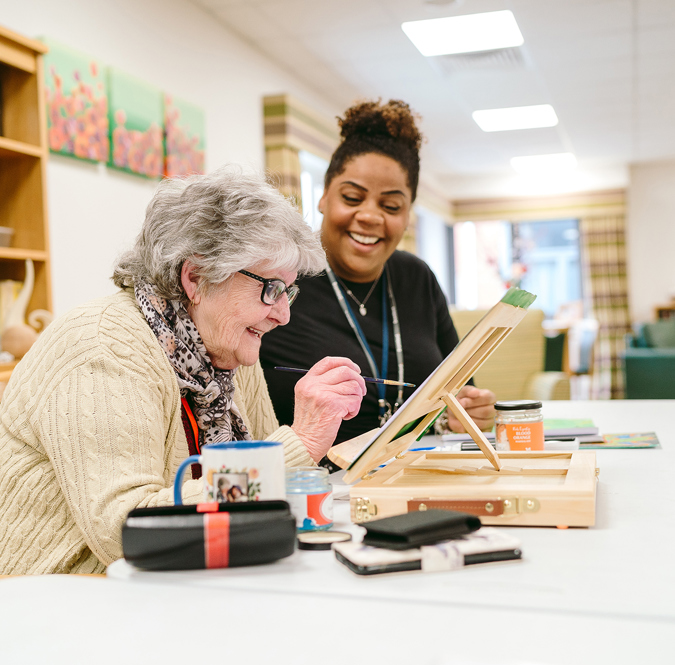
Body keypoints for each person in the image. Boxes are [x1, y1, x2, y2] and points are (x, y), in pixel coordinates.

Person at [0, 166, 366, 575]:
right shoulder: (102, 343)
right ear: (195, 277)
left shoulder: (226, 348)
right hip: (62, 601)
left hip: (176, 580)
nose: (283, 314)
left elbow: (271, 501)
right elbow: (126, 531)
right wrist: (299, 443)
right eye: (271, 289)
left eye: (289, 291)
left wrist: (309, 448)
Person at [261, 100, 496, 448]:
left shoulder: (417, 278)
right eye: (353, 198)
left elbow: (461, 389)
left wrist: (469, 413)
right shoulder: (277, 277)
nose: (370, 216)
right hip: (314, 483)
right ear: (324, 197)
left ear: (407, 214)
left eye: (391, 206)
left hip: (416, 474)